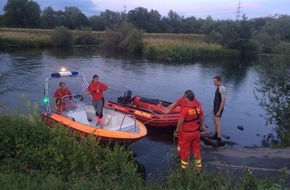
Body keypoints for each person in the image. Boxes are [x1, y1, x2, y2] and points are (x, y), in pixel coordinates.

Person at [175, 90, 206, 171]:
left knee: (185, 151)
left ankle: (184, 169)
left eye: (185, 97)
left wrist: (177, 131)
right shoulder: (198, 107)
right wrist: (202, 125)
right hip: (196, 132)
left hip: (186, 134)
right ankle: (199, 168)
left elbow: (180, 121)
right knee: (196, 150)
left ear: (187, 98)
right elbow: (202, 117)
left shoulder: (185, 109)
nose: (184, 98)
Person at [212, 75, 226, 147]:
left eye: (215, 81)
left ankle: (219, 140)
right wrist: (214, 109)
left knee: (218, 124)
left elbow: (223, 101)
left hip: (218, 109)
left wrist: (219, 111)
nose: (213, 83)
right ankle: (216, 134)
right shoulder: (218, 88)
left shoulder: (222, 88)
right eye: (213, 81)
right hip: (216, 108)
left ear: (219, 81)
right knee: (215, 121)